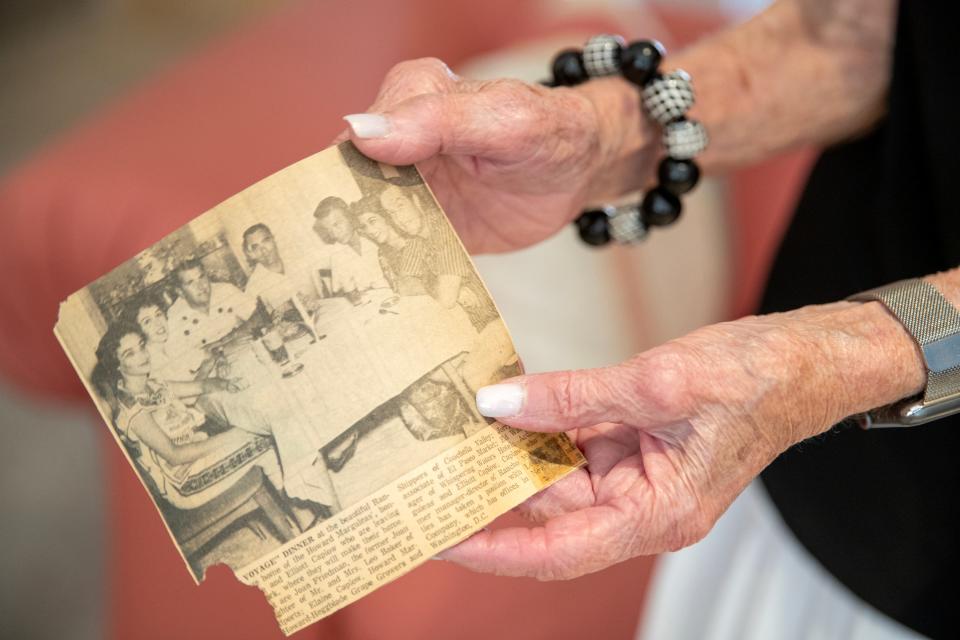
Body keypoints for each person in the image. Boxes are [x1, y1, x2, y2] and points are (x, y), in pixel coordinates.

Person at [339, 0, 956, 637]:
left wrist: (830, 364)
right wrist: (599, 135)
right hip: (797, 503)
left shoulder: (789, 386)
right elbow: (867, 41)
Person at [91, 320, 280, 510]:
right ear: (117, 366)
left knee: (263, 435)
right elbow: (176, 455)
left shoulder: (154, 386)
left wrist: (225, 384)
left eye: (141, 346)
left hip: (196, 458)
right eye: (130, 354)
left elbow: (200, 386)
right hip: (184, 483)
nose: (142, 355)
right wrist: (234, 435)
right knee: (263, 440)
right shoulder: (132, 411)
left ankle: (297, 514)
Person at [166, 258, 258, 361]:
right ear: (180, 292)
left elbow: (258, 314)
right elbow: (180, 358)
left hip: (249, 353)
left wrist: (232, 336)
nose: (201, 286)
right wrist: (222, 349)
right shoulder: (175, 315)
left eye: (201, 277)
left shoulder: (225, 289)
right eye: (191, 282)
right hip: (216, 368)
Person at [311, 195, 390, 300]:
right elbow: (349, 293)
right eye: (329, 230)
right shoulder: (337, 256)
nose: (334, 234)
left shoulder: (375, 236)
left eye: (337, 224)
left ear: (349, 217)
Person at [241, 223, 304, 315]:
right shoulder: (253, 288)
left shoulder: (298, 259)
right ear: (251, 254)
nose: (263, 250)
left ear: (274, 240)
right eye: (255, 247)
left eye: (266, 241)